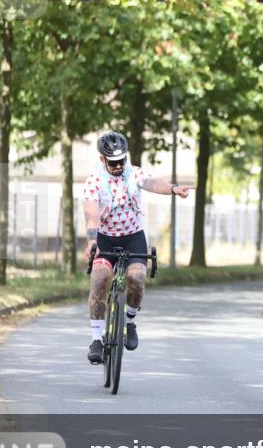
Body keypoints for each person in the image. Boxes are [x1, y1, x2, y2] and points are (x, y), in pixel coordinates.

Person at [82, 131, 193, 363]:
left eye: (121, 161)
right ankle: (96, 339)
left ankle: (130, 321)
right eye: (113, 162)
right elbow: (91, 214)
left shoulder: (133, 173)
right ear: (102, 159)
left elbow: (154, 183)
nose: (118, 166)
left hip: (133, 236)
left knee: (138, 277)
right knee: (100, 278)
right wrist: (92, 240)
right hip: (105, 237)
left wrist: (173, 189)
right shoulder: (94, 181)